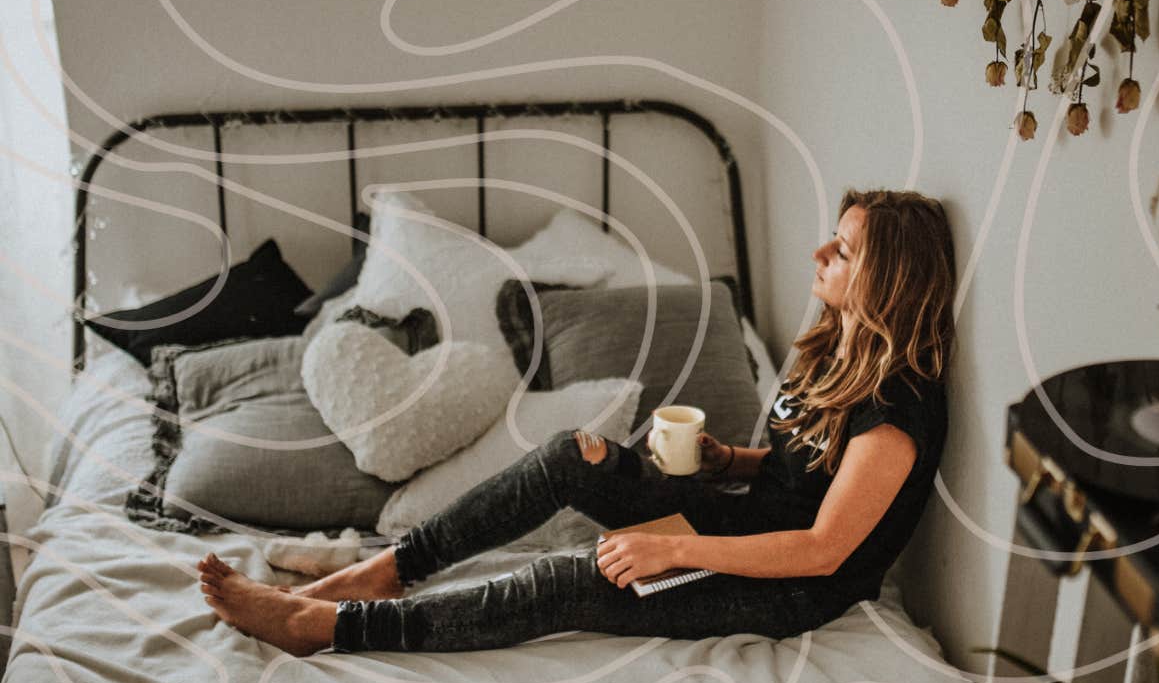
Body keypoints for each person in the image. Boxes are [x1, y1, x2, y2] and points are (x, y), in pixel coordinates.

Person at [198, 189, 957, 657]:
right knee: (573, 457)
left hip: (784, 587)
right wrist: (734, 460)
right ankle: (385, 569)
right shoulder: (834, 350)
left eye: (844, 248)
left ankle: (328, 628)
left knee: (569, 580)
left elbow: (823, 549)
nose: (820, 250)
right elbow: (805, 473)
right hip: (737, 524)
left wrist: (667, 547)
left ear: (885, 279)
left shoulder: (898, 412)